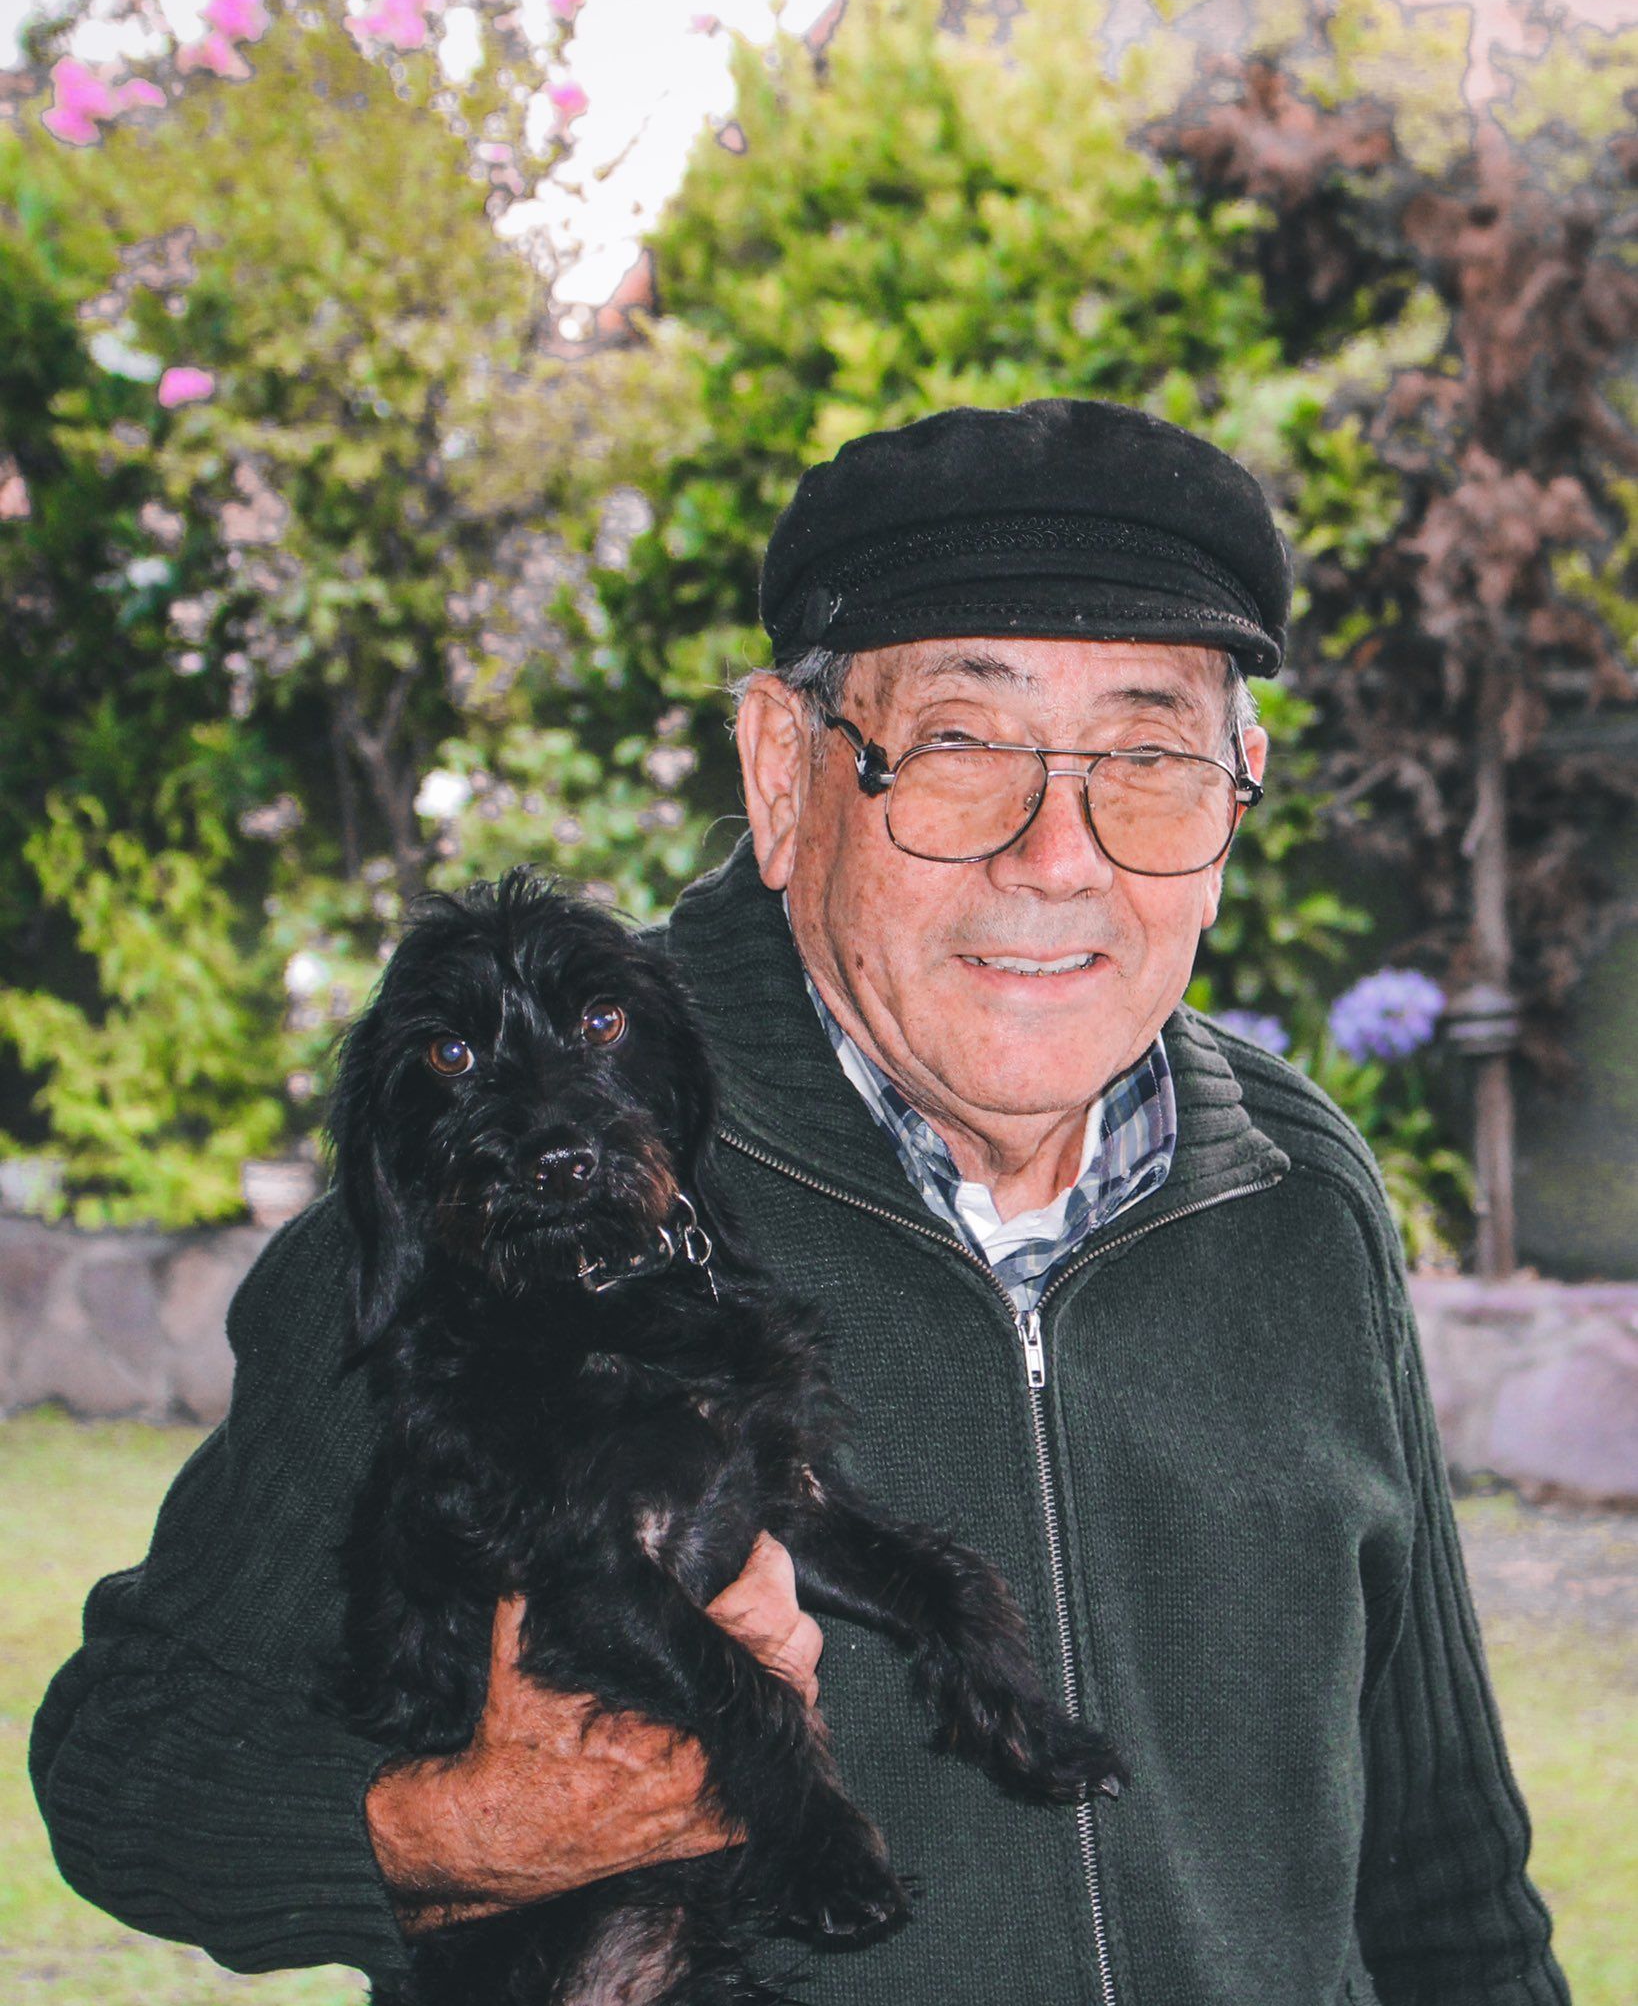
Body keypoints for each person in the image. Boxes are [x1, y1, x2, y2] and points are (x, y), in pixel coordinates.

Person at [31, 399, 1569, 2005]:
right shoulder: (499, 1189)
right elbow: (132, 1771)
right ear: (782, 769)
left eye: (1147, 754)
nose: (1059, 855)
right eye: (962, 748)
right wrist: (463, 1830)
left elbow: (1442, 1869)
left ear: (1236, 789)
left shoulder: (1296, 1197)